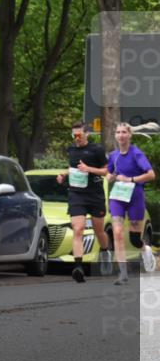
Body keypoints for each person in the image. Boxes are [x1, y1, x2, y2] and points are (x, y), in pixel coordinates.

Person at [56, 121, 112, 283]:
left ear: (87, 134)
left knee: (99, 230)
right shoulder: (72, 150)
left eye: (79, 135)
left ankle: (105, 251)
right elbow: (72, 167)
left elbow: (107, 170)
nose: (76, 138)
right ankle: (78, 267)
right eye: (74, 135)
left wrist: (89, 169)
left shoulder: (97, 150)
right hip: (76, 194)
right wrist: (63, 175)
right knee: (78, 228)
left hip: (95, 195)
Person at [106, 122, 157, 284]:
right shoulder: (113, 155)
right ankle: (123, 273)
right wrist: (109, 176)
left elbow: (151, 174)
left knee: (135, 240)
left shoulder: (136, 154)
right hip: (118, 197)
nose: (120, 135)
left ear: (129, 135)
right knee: (118, 233)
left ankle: (145, 249)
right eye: (118, 132)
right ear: (115, 135)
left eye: (124, 132)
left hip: (135, 196)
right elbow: (109, 173)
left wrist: (131, 179)